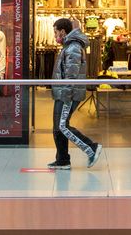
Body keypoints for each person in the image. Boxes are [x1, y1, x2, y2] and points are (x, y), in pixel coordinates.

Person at [48, 18, 102, 170]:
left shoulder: (72, 48)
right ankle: (63, 159)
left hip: (68, 94)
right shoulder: (69, 46)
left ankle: (91, 148)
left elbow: (71, 75)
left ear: (63, 32)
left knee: (62, 126)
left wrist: (65, 95)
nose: (55, 35)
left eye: (56, 32)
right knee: (57, 127)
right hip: (63, 92)